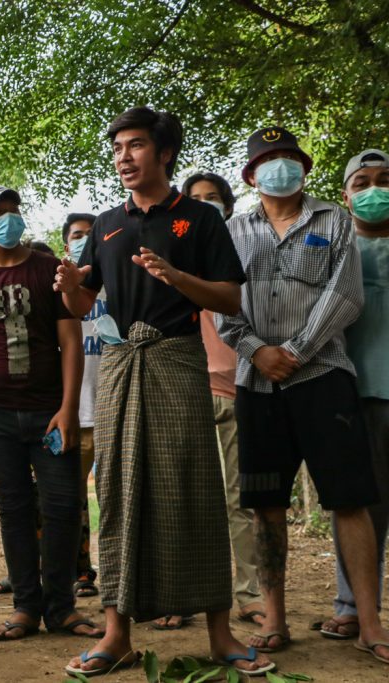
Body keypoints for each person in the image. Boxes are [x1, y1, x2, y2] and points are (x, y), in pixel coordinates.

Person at [55, 107, 273, 677]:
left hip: (179, 362)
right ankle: (115, 634)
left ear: (164, 152)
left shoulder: (199, 219)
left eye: (136, 146)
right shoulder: (105, 224)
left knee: (195, 488)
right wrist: (73, 289)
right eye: (118, 148)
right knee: (118, 490)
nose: (124, 157)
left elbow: (229, 299)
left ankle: (220, 634)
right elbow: (81, 308)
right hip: (123, 367)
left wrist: (177, 278)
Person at [219, 128, 389, 666]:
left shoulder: (333, 220)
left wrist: (293, 350)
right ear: (251, 175)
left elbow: (346, 294)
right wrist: (255, 349)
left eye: (289, 158)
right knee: (266, 503)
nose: (279, 167)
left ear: (305, 168)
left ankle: (368, 622)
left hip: (323, 376)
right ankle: (274, 618)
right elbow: (224, 303)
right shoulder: (231, 230)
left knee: (350, 498)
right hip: (256, 382)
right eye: (268, 160)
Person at [0, 185, 101, 643]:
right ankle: (26, 608)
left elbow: (71, 339)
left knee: (65, 506)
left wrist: (69, 409)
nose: (9, 218)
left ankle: (62, 608)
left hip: (50, 412)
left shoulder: (51, 270)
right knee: (13, 509)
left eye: (14, 211)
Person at [178, 172, 265, 629]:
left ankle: (250, 593)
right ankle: (183, 595)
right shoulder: (174, 255)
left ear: (229, 206)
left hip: (246, 385)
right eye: (197, 200)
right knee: (186, 496)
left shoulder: (250, 252)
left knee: (241, 498)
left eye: (214, 198)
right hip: (189, 388)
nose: (207, 205)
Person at [318, 150, 389, 646]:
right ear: (345, 196)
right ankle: (353, 607)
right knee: (362, 504)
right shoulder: (333, 251)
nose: (373, 190)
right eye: (361, 182)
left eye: (384, 180)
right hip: (355, 390)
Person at [62, 212, 102, 600]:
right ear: (65, 245)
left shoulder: (117, 286)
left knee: (117, 500)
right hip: (74, 414)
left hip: (114, 411)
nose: (83, 241)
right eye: (76, 236)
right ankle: (80, 571)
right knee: (70, 500)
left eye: (90, 236)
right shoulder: (57, 293)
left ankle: (124, 573)